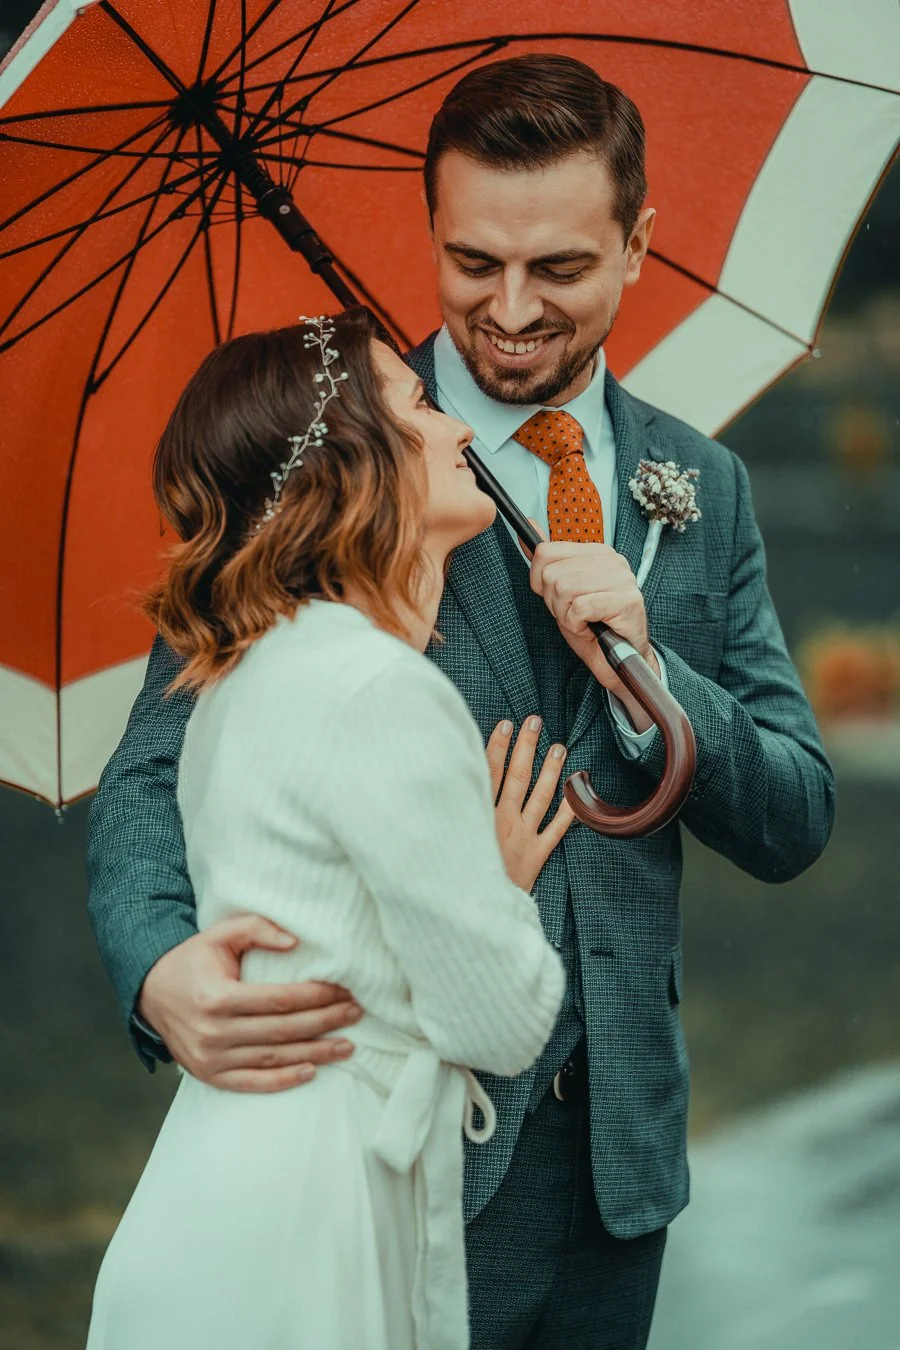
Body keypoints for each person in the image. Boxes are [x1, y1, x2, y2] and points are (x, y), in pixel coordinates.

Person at [88, 55, 835, 1350]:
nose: (509, 308)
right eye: (472, 260)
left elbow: (796, 810)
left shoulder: (700, 484)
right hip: (405, 1146)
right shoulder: (330, 455)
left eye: (558, 268)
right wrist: (159, 968)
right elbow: (157, 768)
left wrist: (661, 667)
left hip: (621, 1161)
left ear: (637, 242)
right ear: (431, 228)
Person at [86, 308, 567, 1349]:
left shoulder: (244, 675)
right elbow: (504, 1023)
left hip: (219, 1179)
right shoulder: (382, 691)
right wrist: (497, 884)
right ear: (354, 466)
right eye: (418, 406)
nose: (460, 434)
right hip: (314, 1213)